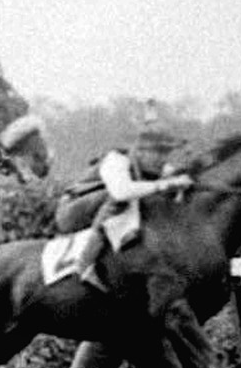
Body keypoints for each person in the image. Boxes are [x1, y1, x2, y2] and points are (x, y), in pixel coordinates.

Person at [59, 112, 193, 289]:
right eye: (158, 152)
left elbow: (174, 181)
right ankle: (86, 262)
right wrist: (166, 185)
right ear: (139, 151)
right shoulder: (115, 160)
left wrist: (180, 185)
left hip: (99, 209)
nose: (163, 159)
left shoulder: (158, 167)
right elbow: (121, 192)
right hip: (71, 211)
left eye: (166, 153)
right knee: (120, 198)